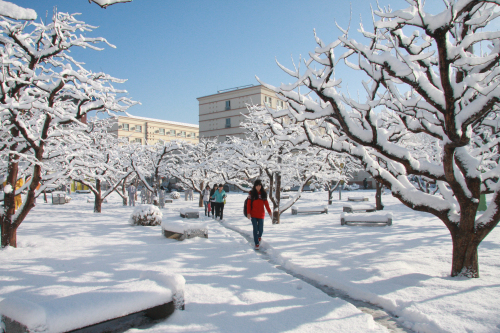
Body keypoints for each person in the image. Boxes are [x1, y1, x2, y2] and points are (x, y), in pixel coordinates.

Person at [246, 179, 272, 250]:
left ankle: (259, 236)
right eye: (257, 185)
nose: (258, 187)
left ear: (261, 186)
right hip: (253, 214)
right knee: (255, 229)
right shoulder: (251, 194)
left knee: (260, 229)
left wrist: (269, 212)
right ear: (254, 186)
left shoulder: (263, 194)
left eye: (259, 185)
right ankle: (256, 243)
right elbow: (248, 204)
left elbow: (266, 204)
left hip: (261, 214)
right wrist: (248, 213)